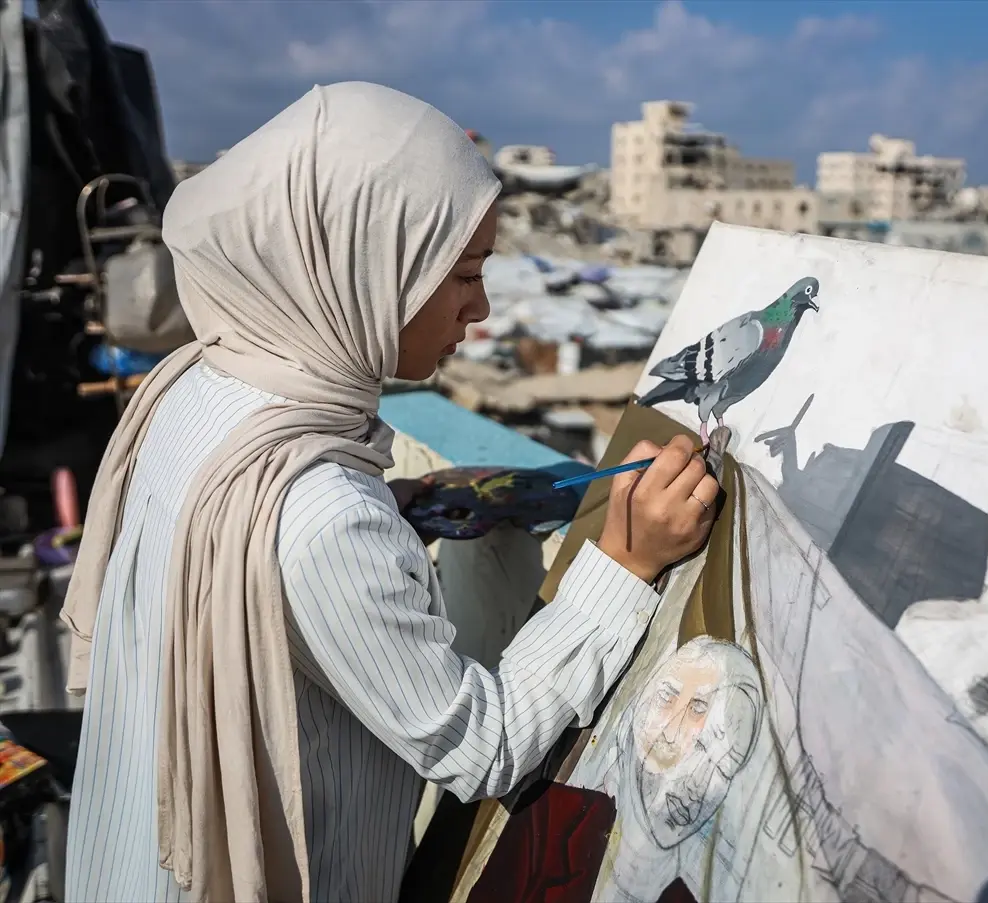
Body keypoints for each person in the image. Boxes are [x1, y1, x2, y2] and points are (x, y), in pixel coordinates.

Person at [59, 82, 720, 903]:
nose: (480, 308)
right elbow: (484, 744)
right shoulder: (320, 510)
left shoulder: (199, 381)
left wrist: (398, 504)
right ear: (362, 268)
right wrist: (625, 561)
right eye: (465, 274)